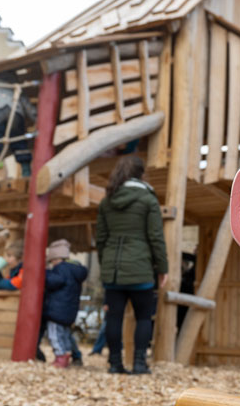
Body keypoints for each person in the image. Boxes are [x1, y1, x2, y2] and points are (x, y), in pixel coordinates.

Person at [95, 155, 167, 374]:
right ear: (141, 174)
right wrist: (162, 268)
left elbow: (101, 238)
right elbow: (155, 236)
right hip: (140, 268)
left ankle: (114, 364)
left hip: (113, 271)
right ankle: (139, 364)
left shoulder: (107, 201)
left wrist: (105, 265)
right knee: (143, 317)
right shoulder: (148, 199)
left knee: (113, 317)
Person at [42, 239, 88, 368]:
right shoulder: (74, 270)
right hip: (69, 311)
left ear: (56, 259)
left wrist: (45, 272)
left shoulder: (60, 269)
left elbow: (53, 282)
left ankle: (60, 356)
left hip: (57, 311)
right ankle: (70, 354)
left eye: (51, 261)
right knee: (65, 335)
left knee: (54, 335)